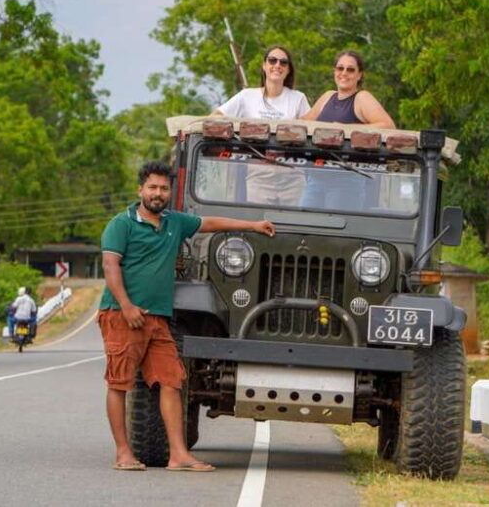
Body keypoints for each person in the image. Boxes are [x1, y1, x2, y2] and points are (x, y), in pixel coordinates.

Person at [99, 160, 275, 472]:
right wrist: (126, 305)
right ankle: (123, 453)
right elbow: (111, 266)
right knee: (120, 383)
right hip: (123, 315)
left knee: (172, 381)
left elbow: (210, 223)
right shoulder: (121, 224)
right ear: (140, 189)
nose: (158, 193)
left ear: (170, 192)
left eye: (164, 188)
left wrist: (252, 226)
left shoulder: (174, 222)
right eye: (152, 187)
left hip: (158, 320)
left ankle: (178, 455)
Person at [212, 45, 309, 206]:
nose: (277, 65)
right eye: (272, 60)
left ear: (289, 69)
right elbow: (215, 118)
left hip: (291, 173)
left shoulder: (298, 98)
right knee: (259, 223)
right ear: (264, 65)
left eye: (283, 62)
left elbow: (311, 131)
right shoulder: (246, 96)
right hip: (258, 171)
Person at [299, 50, 396, 212]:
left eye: (350, 70)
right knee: (303, 227)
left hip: (346, 179)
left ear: (359, 75)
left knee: (336, 232)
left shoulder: (361, 98)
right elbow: (303, 123)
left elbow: (388, 126)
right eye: (340, 68)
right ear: (334, 71)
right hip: (316, 176)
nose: (344, 73)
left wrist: (347, 130)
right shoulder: (327, 96)